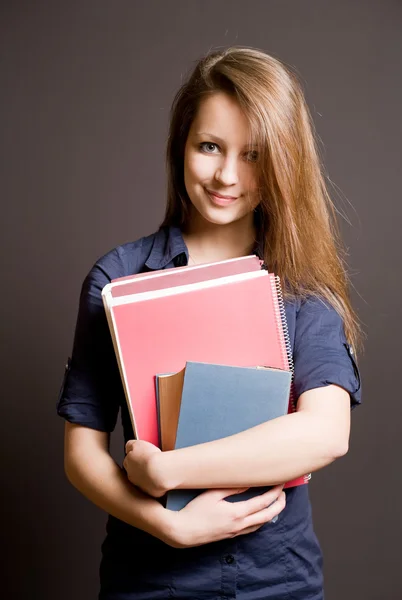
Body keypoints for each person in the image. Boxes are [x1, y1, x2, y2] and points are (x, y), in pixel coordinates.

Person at [57, 46, 362, 600]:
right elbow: (81, 452)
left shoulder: (302, 285)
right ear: (180, 148)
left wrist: (169, 471)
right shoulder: (118, 277)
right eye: (209, 147)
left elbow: (325, 432)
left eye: (254, 155)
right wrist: (165, 522)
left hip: (278, 580)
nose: (227, 175)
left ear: (284, 162)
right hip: (149, 580)